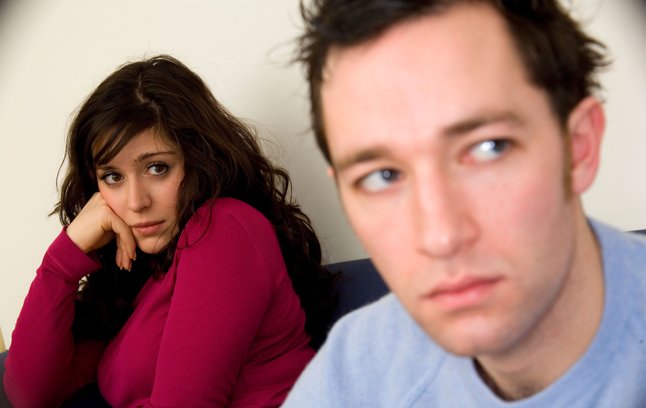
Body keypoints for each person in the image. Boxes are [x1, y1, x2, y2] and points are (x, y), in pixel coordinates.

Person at [284, 0, 646, 406]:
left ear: (579, 148)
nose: (441, 237)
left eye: (489, 148)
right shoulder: (357, 366)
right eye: (382, 176)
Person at [2, 55, 336, 407]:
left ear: (200, 160)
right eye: (112, 176)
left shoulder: (224, 227)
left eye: (157, 168)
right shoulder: (140, 280)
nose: (135, 202)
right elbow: (29, 395)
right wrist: (62, 261)